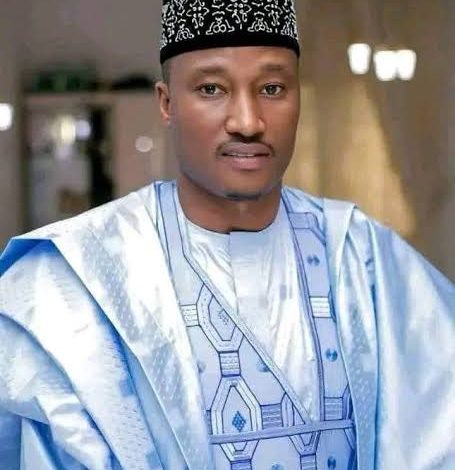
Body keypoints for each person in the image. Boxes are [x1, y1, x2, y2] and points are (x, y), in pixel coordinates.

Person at [0, 1, 453, 469]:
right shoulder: (75, 281)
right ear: (167, 103)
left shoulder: (363, 258)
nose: (247, 122)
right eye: (212, 89)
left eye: (272, 88)